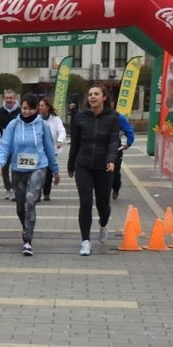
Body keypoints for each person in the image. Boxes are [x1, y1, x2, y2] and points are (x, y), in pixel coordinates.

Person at [0, 92, 59, 257]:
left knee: (30, 201)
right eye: (24, 108)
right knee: (20, 206)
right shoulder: (13, 125)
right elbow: (4, 145)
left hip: (38, 167)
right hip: (17, 169)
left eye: (30, 109)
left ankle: (27, 240)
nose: (26, 112)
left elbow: (50, 149)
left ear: (36, 109)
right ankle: (26, 226)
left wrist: (55, 170)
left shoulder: (43, 126)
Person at [67, 86, 121, 256]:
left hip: (104, 166)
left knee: (103, 204)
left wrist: (111, 160)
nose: (92, 97)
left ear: (104, 97)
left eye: (96, 94)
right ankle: (85, 241)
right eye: (90, 94)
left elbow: (114, 141)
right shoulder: (81, 117)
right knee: (85, 202)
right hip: (83, 165)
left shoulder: (113, 117)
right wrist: (70, 164)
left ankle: (103, 224)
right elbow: (74, 142)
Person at [38, 99, 68, 202]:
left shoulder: (56, 119)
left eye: (42, 105)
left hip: (51, 149)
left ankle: (46, 193)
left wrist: (60, 141)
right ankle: (37, 193)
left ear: (48, 107)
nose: (40, 107)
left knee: (48, 172)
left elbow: (62, 131)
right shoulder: (37, 119)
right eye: (39, 105)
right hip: (39, 150)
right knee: (38, 172)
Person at [0, 90, 20, 200]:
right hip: (3, 145)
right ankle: (8, 188)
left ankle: (15, 189)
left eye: (11, 98)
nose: (9, 100)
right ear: (4, 98)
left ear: (14, 98)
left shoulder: (20, 112)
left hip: (17, 145)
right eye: (7, 98)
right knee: (4, 168)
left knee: (15, 169)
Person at [111, 110, 136, 199]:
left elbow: (129, 130)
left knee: (115, 171)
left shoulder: (119, 118)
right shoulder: (96, 116)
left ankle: (116, 189)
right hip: (100, 150)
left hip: (116, 149)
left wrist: (129, 143)